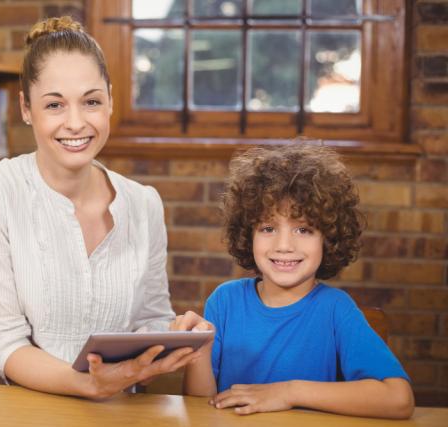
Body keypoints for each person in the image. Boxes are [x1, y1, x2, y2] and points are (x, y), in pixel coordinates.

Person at [0, 16, 199, 398]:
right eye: (54, 104)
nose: (75, 122)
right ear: (25, 108)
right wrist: (88, 384)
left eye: (91, 102)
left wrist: (169, 338)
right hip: (11, 410)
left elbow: (150, 317)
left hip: (115, 413)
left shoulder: (143, 203)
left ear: (110, 101)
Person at [171, 144, 414, 419]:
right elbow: (200, 408)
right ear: (247, 234)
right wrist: (199, 351)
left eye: (303, 229)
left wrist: (288, 392)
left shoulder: (335, 309)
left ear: (329, 238)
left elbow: (398, 399)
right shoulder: (224, 301)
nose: (284, 245)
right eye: (268, 228)